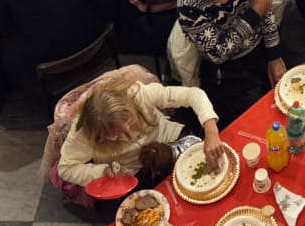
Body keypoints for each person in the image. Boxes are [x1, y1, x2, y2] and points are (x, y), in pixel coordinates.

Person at [167, 0, 286, 123]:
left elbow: (264, 3)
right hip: (229, 68)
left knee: (291, 86)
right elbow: (218, 54)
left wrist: (274, 55)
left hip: (258, 44)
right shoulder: (189, 5)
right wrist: (253, 13)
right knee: (260, 116)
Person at [56, 73, 223, 189]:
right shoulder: (83, 131)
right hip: (132, 168)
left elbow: (193, 95)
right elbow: (65, 168)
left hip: (167, 138)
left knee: (212, 172)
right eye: (115, 134)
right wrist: (100, 172)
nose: (127, 133)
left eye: (128, 122)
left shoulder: (139, 94)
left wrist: (211, 131)